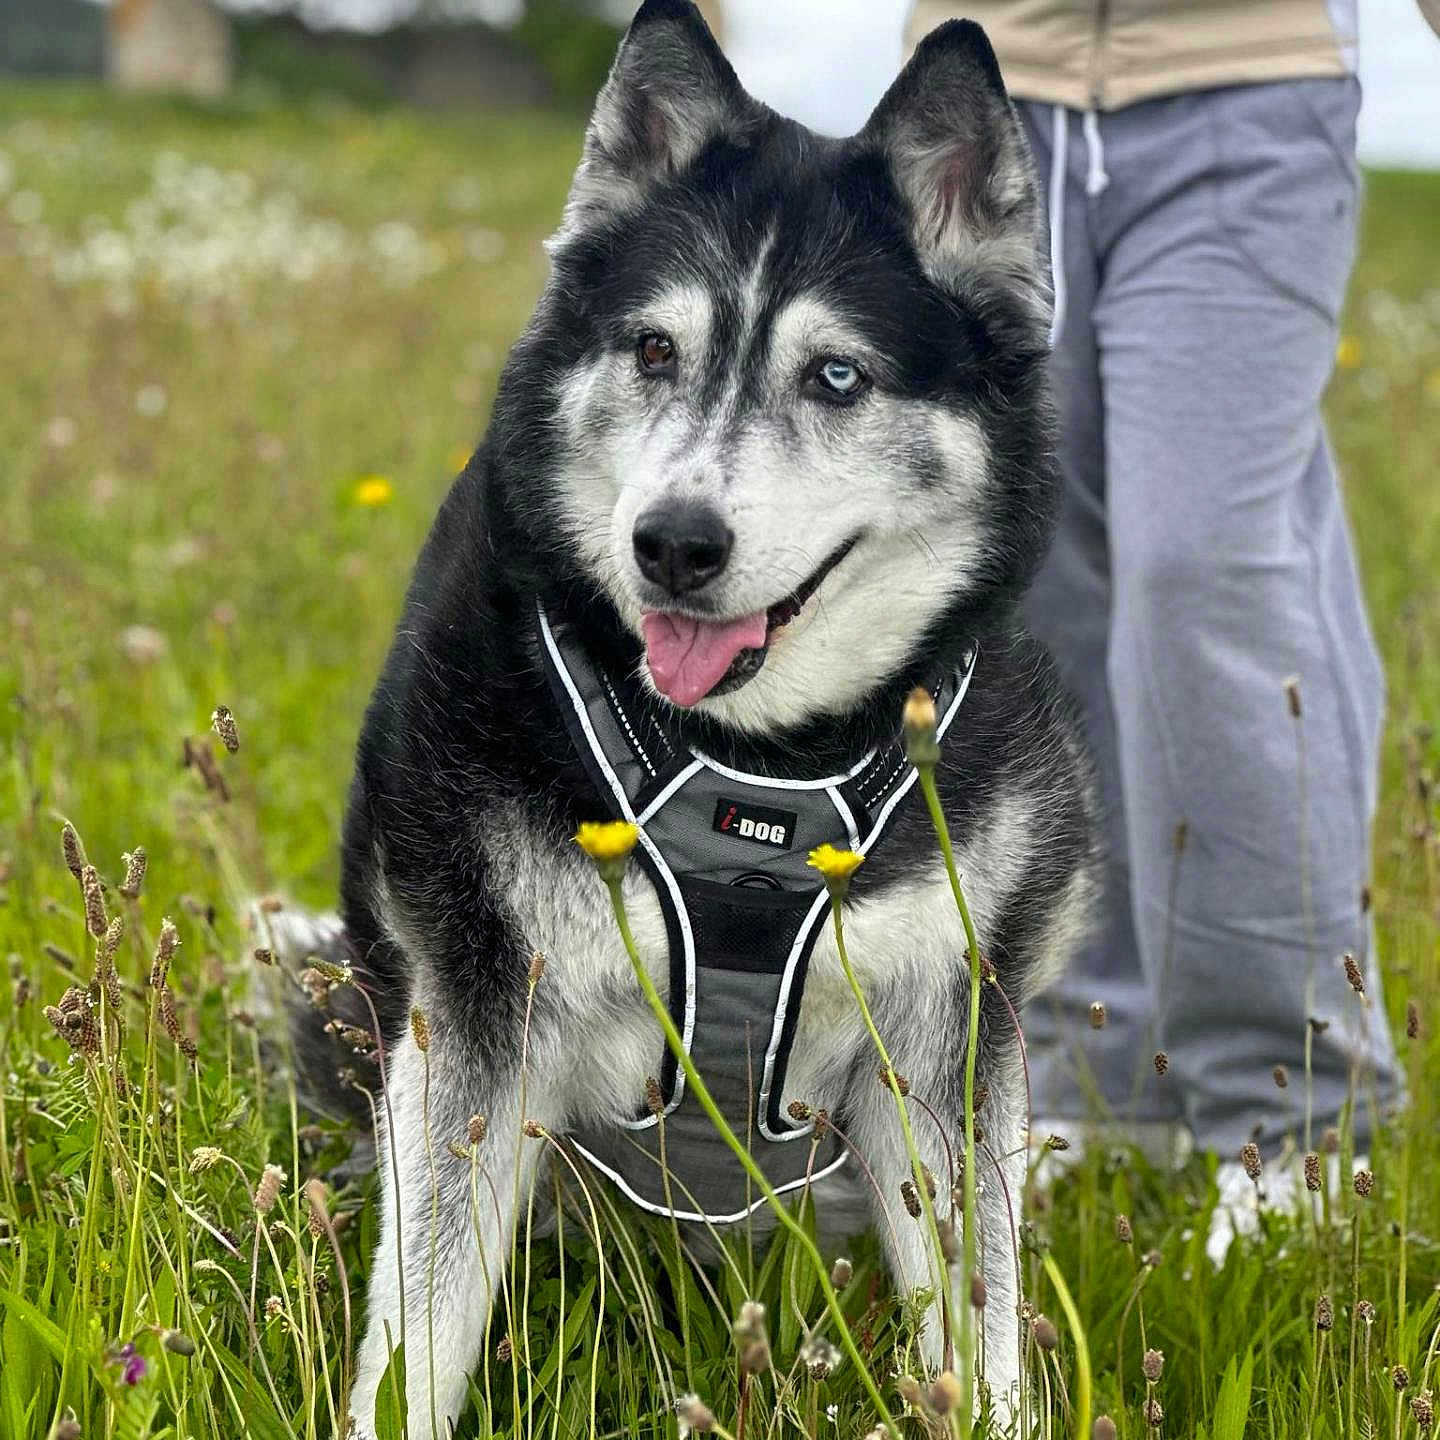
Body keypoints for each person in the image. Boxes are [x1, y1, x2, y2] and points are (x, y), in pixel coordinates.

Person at [894, 0, 1426, 1253]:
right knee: (1033, 581)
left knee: (1205, 570)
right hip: (983, 95)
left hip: (1245, 90)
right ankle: (1101, 1067)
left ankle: (1294, 1107)